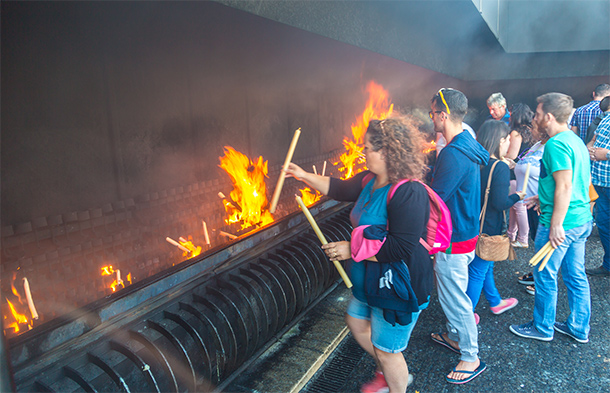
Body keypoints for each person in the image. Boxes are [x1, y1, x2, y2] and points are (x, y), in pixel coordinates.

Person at [285, 116, 434, 393]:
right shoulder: (369, 180)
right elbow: (338, 188)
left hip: (397, 284)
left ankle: (395, 378)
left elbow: (400, 247)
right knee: (355, 321)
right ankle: (388, 371)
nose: (362, 151)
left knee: (388, 350)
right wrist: (303, 176)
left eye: (367, 147)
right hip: (370, 280)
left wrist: (350, 249)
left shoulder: (409, 191)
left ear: (387, 151)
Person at [510, 93, 593, 343]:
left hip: (562, 224)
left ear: (548, 116)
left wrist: (556, 224)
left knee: (544, 275)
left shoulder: (556, 144)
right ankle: (579, 327)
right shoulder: (575, 140)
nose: (534, 118)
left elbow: (565, 186)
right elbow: (578, 182)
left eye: (536, 114)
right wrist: (542, 199)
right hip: (581, 219)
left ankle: (542, 327)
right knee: (575, 275)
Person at [428, 88, 489, 384]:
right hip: (465, 231)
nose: (431, 120)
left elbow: (436, 198)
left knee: (455, 297)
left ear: (442, 114)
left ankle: (470, 356)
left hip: (453, 237)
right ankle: (454, 337)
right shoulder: (468, 142)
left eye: (432, 115)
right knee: (452, 291)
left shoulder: (453, 153)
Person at [466, 120, 524, 320]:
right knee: (477, 270)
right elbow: (499, 203)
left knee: (485, 265)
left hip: (472, 222)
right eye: (507, 139)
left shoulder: (476, 161)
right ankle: (466, 316)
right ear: (500, 141)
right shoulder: (499, 167)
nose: (509, 144)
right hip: (488, 226)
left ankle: (495, 301)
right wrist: (518, 196)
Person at [514, 123, 551, 295]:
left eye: (534, 126)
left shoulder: (551, 147)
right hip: (529, 203)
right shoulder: (536, 145)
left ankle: (543, 280)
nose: (530, 129)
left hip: (541, 204)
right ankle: (538, 272)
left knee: (545, 243)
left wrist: (544, 200)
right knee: (537, 241)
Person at [506, 104, 535, 248]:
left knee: (518, 205)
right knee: (515, 205)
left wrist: (500, 155)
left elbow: (512, 155)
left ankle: (523, 238)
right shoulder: (532, 131)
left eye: (511, 113)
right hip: (527, 170)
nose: (509, 116)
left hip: (514, 171)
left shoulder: (516, 133)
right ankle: (511, 234)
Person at [586, 106, 610, 276]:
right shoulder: (605, 118)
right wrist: (590, 149)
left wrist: (607, 154)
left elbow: (605, 152)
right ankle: (608, 265)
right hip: (600, 183)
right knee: (603, 226)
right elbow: (592, 142)